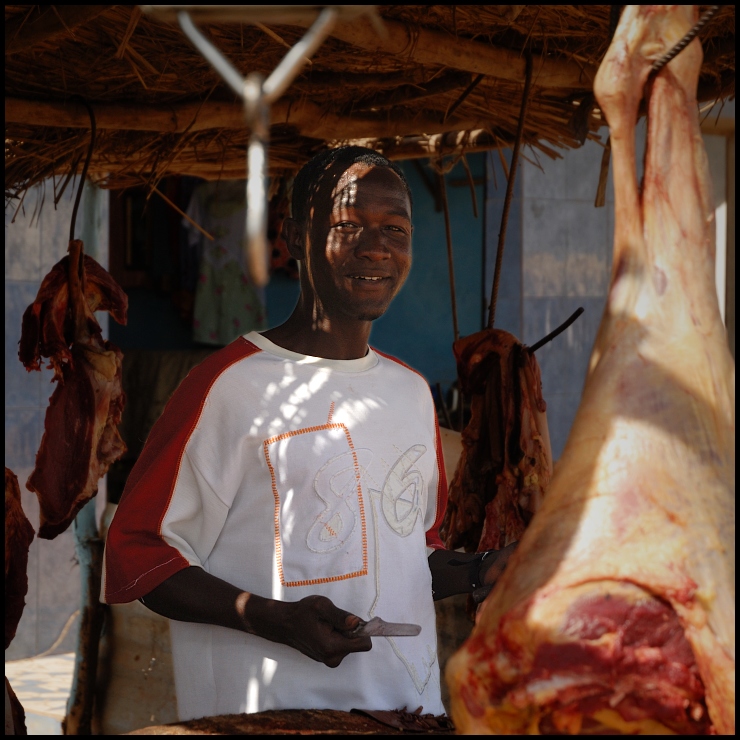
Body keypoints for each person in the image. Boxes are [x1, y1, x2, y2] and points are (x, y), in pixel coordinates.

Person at [102, 146, 515, 721]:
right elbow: (138, 555)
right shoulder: (228, 386)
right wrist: (271, 618)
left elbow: (409, 554)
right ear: (294, 238)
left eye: (395, 228)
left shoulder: (410, 394)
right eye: (349, 227)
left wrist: (482, 569)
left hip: (407, 714)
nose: (376, 247)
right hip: (272, 722)